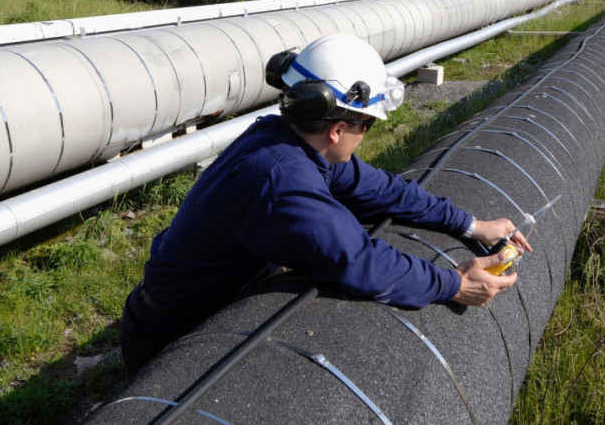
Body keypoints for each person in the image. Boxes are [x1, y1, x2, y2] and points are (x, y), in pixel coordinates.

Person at [119, 34, 531, 376]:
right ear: (338, 129)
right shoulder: (283, 181)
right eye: (366, 125)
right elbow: (356, 260)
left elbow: (384, 190)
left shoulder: (288, 140)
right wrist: (457, 284)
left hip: (199, 303)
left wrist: (470, 225)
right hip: (169, 333)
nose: (364, 135)